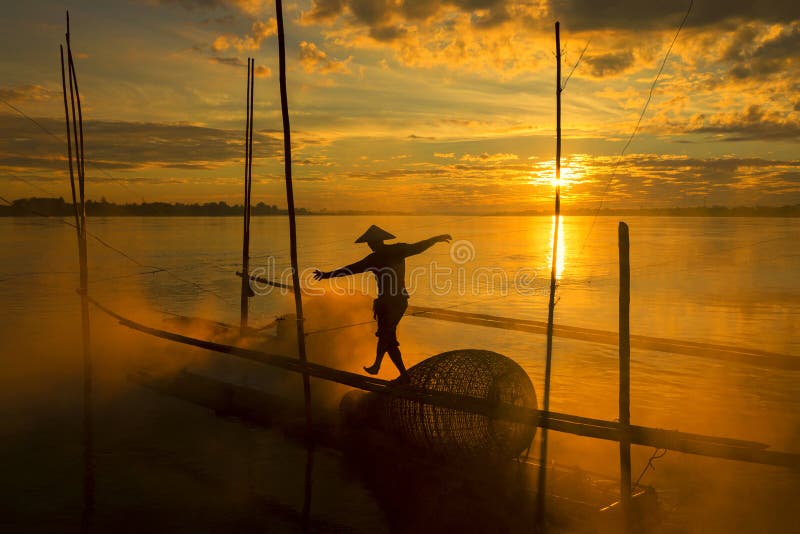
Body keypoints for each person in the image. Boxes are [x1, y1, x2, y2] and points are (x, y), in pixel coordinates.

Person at [313, 225, 451, 381]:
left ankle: (377, 364)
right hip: (388, 302)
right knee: (389, 340)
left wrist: (435, 239)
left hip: (395, 302)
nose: (370, 245)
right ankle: (403, 376)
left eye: (371, 243)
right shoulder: (387, 253)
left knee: (386, 334)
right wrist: (325, 275)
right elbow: (350, 269)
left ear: (377, 242)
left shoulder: (387, 254)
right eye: (369, 244)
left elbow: (418, 247)